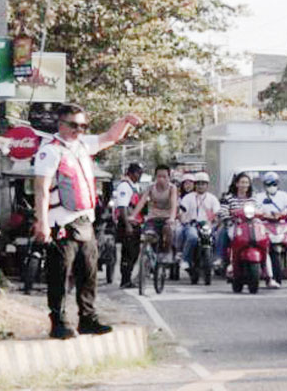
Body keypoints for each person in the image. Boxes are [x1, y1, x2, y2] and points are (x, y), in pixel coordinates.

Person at [33, 104, 141, 339]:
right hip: (60, 222)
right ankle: (59, 321)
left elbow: (110, 137)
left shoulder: (82, 145)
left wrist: (125, 120)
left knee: (89, 272)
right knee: (60, 274)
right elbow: (41, 188)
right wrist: (41, 223)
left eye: (83, 126)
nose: (78, 130)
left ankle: (87, 318)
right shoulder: (50, 151)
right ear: (60, 124)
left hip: (84, 221)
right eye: (73, 125)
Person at [131, 165, 179, 262]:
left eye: (164, 176)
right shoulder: (150, 187)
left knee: (168, 230)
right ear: (155, 177)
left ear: (169, 177)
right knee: (148, 235)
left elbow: (174, 204)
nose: (161, 179)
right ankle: (148, 260)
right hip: (153, 218)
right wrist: (133, 215)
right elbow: (142, 202)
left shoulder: (172, 188)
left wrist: (172, 218)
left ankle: (167, 252)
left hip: (167, 219)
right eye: (159, 176)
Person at [255, 171, 287, 287]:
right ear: (264, 185)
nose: (271, 186)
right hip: (265, 226)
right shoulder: (259, 197)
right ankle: (267, 275)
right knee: (263, 248)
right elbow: (257, 210)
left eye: (274, 183)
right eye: (268, 184)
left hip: (281, 226)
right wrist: (265, 215)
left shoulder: (284, 195)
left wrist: (280, 214)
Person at [178, 172, 220, 272]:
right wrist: (184, 219)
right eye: (198, 183)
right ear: (195, 185)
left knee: (216, 237)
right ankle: (185, 260)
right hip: (192, 225)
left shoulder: (212, 198)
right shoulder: (188, 198)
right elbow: (182, 212)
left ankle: (217, 260)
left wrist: (215, 220)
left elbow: (217, 213)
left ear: (207, 185)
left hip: (207, 226)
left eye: (203, 183)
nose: (200, 186)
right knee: (192, 237)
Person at [216, 172, 257, 276]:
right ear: (236, 184)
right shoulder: (229, 198)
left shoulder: (253, 198)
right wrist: (228, 219)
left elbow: (259, 210)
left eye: (246, 182)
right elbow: (223, 211)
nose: (244, 185)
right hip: (234, 225)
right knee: (223, 232)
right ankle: (220, 257)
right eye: (242, 182)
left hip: (250, 226)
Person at [111, 163, 144, 288]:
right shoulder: (124, 186)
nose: (139, 176)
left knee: (134, 253)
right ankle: (125, 280)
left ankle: (128, 278)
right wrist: (127, 225)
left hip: (136, 223)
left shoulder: (134, 186)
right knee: (128, 253)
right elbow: (123, 207)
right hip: (127, 224)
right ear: (130, 173)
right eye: (137, 173)